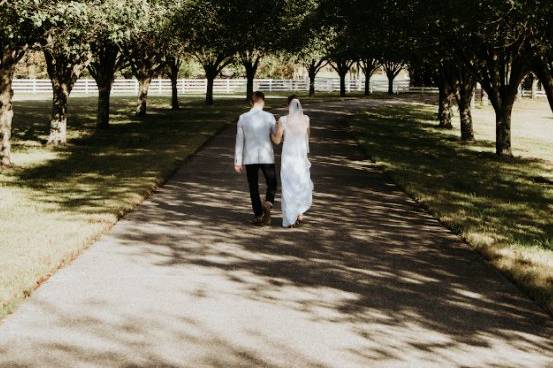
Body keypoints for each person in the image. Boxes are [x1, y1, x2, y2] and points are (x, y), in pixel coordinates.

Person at [234, 91, 278, 226]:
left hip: (250, 156)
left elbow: (239, 140)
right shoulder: (270, 116)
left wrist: (237, 161)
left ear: (251, 102)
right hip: (266, 156)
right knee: (272, 182)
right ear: (263, 101)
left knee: (253, 186)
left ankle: (258, 215)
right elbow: (276, 136)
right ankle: (269, 202)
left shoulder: (243, 117)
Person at [272, 95, 313, 228]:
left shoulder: (283, 120)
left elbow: (277, 140)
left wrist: (272, 131)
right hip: (300, 156)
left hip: (288, 157)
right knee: (301, 182)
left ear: (287, 105)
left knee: (288, 184)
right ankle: (300, 214)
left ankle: (290, 218)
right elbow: (307, 136)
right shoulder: (306, 119)